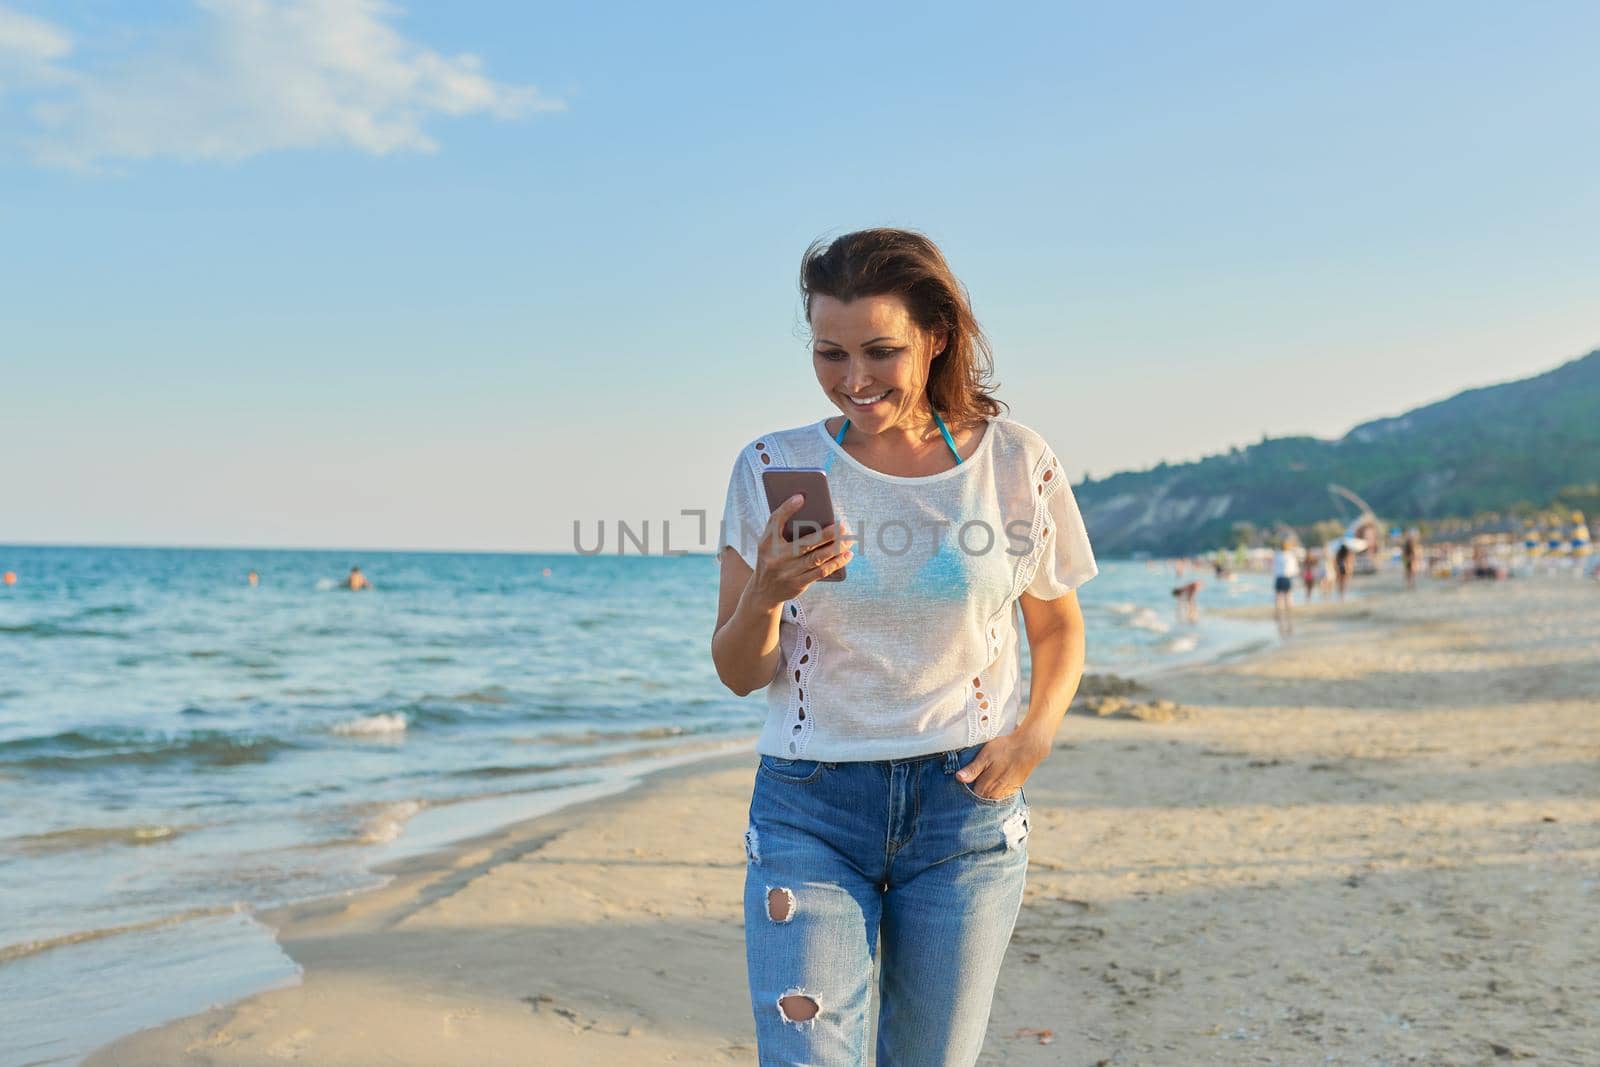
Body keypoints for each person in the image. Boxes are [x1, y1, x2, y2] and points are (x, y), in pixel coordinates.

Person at [712, 228, 1096, 1065]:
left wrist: (1034, 735)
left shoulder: (1015, 462)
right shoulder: (772, 465)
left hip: (964, 808)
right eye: (829, 352)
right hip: (808, 808)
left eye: (881, 351)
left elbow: (1058, 624)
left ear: (937, 336)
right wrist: (769, 593)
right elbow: (741, 672)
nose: (854, 380)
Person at [1273, 539, 1300, 636]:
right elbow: (1294, 569)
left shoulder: (1277, 555)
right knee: (1288, 596)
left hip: (1279, 577)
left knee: (1279, 597)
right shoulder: (1290, 556)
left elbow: (1274, 568)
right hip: (1287, 577)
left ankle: (1278, 613)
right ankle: (1289, 613)